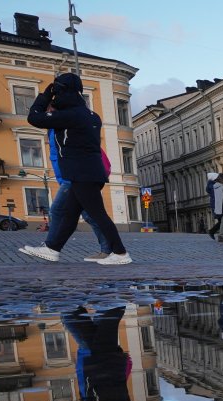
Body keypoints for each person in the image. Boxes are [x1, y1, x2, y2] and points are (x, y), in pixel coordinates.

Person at [19, 73, 131, 265]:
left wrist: (45, 96)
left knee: (97, 214)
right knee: (70, 214)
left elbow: (34, 117)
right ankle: (52, 249)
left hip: (82, 172)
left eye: (57, 92)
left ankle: (120, 253)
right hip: (89, 171)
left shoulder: (70, 115)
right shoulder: (90, 115)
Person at [61, 305, 132, 401]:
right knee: (73, 317)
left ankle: (111, 301)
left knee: (105, 320)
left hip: (112, 360)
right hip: (94, 359)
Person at [44, 128, 111, 261]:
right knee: (90, 215)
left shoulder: (64, 126)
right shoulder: (54, 129)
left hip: (74, 178)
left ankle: (50, 248)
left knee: (57, 211)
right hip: (73, 177)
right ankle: (110, 250)